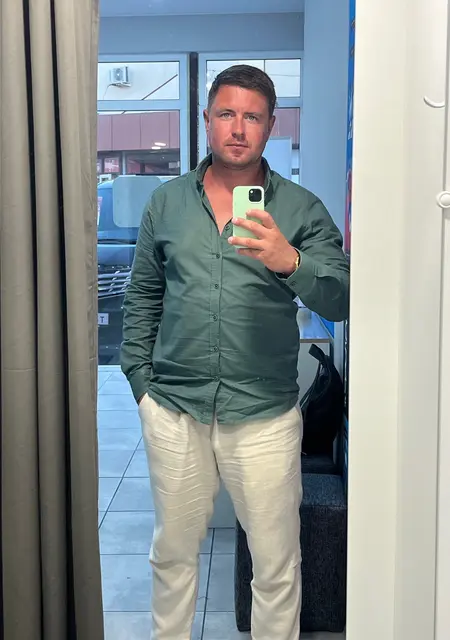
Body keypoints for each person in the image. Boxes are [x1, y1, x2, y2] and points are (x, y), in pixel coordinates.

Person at [121, 64, 349, 640]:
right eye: (227, 113)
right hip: (175, 409)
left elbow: (342, 297)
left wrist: (289, 261)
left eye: (253, 116)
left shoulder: (301, 209)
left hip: (265, 415)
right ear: (207, 120)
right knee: (172, 556)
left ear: (271, 126)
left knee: (275, 567)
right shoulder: (166, 204)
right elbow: (143, 296)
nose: (238, 128)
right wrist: (141, 384)